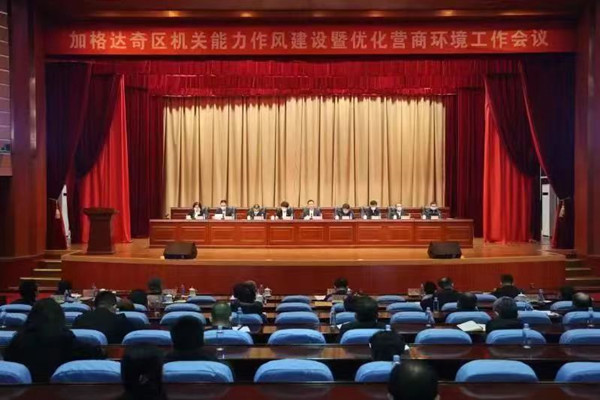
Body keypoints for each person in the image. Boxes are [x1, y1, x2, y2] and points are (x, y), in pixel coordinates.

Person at [4, 298, 104, 383]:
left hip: (23, 393)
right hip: (60, 392)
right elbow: (94, 352)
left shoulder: (18, 340)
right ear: (60, 318)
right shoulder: (65, 339)